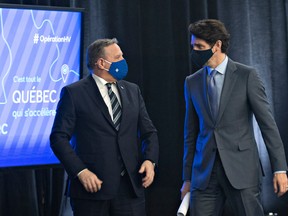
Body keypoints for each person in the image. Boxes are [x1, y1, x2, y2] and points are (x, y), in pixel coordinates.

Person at [180, 19, 288, 216]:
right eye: (193, 46)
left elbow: (267, 125)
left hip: (242, 171)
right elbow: (190, 134)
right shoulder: (191, 82)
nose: (194, 51)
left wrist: (279, 168)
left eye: (200, 47)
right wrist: (187, 178)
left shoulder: (247, 75)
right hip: (204, 174)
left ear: (217, 45)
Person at [50, 38, 159, 216]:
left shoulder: (132, 90)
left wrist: (150, 161)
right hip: (92, 190)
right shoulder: (74, 93)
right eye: (118, 57)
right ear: (101, 63)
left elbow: (149, 132)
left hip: (130, 189)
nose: (124, 61)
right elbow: (58, 138)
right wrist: (81, 171)